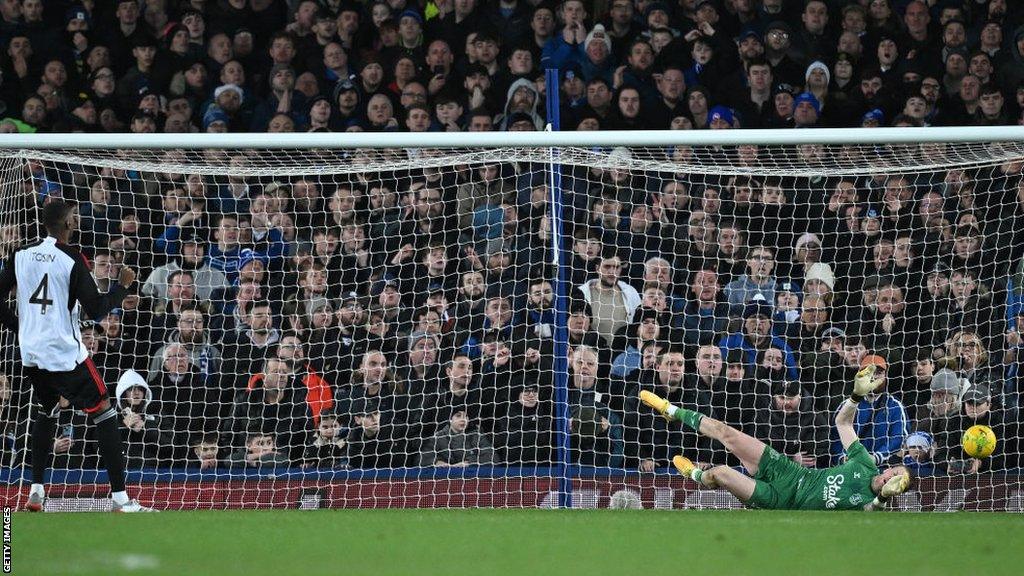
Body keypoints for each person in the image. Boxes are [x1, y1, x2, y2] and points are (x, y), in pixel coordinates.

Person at [0, 200, 154, 512]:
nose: (77, 220)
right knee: (106, 412)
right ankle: (121, 500)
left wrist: (19, 327)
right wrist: (122, 289)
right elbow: (97, 310)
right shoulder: (71, 258)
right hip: (64, 354)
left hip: (31, 353)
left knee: (48, 409)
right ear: (68, 223)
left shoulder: (19, 254)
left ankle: (37, 491)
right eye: (74, 216)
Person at [639, 364, 911, 510]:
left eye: (895, 481)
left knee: (720, 473)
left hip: (781, 501)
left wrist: (882, 500)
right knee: (726, 432)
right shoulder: (866, 464)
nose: (889, 477)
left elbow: (869, 514)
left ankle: (695, 476)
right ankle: (670, 409)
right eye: (893, 472)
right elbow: (842, 422)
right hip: (789, 471)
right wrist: (856, 396)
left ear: (895, 489)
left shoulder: (869, 504)